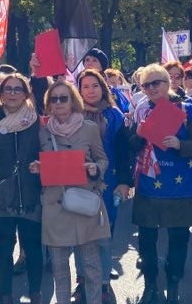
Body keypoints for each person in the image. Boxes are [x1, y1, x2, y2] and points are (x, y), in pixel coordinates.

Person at [130, 64, 192, 304]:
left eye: (156, 83)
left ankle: (173, 283)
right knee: (146, 239)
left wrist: (180, 145)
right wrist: (139, 135)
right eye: (146, 85)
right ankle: (151, 284)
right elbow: (129, 146)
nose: (152, 88)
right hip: (149, 186)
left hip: (179, 188)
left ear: (168, 83)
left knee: (178, 238)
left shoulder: (187, 108)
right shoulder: (141, 110)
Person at [30, 81, 110, 304]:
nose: (58, 103)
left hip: (84, 203)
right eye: (53, 99)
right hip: (55, 206)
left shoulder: (89, 128)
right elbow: (38, 162)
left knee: (92, 267)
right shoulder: (42, 131)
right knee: (59, 270)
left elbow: (103, 159)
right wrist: (37, 167)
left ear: (73, 101)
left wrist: (96, 169)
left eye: (63, 98)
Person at [0, 73, 43, 304]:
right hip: (0, 193)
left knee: (33, 248)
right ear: (1, 93)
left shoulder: (37, 121)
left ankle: (36, 293)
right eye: (8, 89)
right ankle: (5, 296)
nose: (13, 93)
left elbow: (46, 151)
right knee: (3, 250)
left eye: (18, 89)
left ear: (26, 94)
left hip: (31, 191)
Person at [75, 69, 132, 303]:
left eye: (95, 85)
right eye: (85, 86)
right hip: (77, 182)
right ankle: (82, 280)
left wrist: (124, 182)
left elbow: (124, 151)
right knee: (80, 234)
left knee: (103, 235)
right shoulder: (71, 113)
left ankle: (103, 281)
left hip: (109, 183)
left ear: (103, 88)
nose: (90, 90)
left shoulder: (115, 115)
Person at [83, 48, 130, 113]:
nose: (89, 63)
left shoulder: (112, 92)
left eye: (94, 60)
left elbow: (122, 112)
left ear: (102, 66)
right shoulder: (78, 86)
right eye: (87, 60)